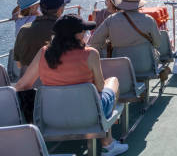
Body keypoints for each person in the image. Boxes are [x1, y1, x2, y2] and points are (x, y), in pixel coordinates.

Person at [15, 14, 128, 155]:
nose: (87, 33)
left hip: (52, 116)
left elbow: (23, 85)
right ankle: (108, 143)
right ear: (78, 35)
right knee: (112, 82)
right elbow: (99, 87)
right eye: (84, 30)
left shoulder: (44, 53)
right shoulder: (91, 54)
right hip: (88, 114)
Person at [89, 0, 162, 55]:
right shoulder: (149, 20)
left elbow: (94, 41)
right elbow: (158, 43)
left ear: (122, 3)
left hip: (119, 65)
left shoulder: (111, 19)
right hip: (145, 65)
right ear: (139, 4)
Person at [13, 0, 71, 70]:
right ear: (60, 10)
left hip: (29, 77)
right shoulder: (66, 29)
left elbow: (19, 64)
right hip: (55, 77)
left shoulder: (23, 29)